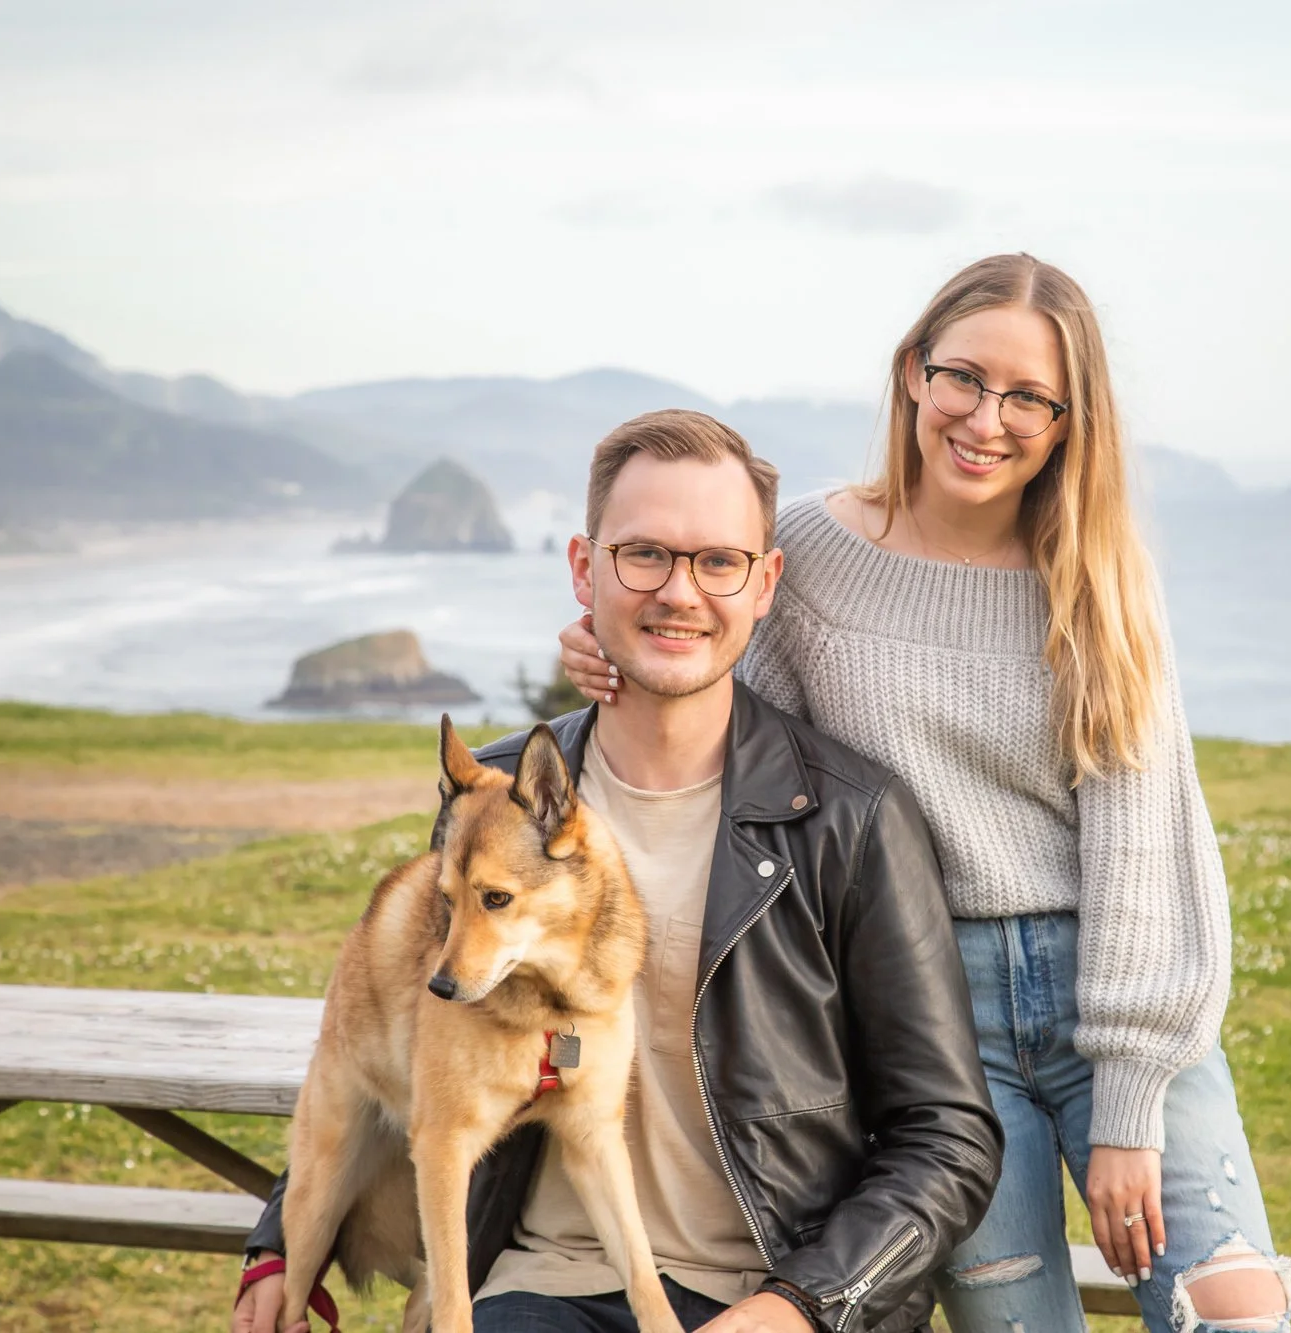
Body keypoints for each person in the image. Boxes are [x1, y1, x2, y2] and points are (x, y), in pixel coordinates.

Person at [560, 255, 1291, 1333]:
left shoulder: (1093, 579)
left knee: (1233, 1312)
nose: (986, 418)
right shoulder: (809, 554)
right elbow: (730, 714)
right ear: (914, 371)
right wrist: (606, 648)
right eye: (963, 378)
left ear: (1065, 419)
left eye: (1027, 398)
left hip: (1113, 994)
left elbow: (1142, 837)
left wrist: (1129, 1104)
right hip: (927, 1015)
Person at [235, 410, 1002, 1333]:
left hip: (770, 1295)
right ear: (582, 568)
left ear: (765, 584)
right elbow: (381, 1027)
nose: (680, 591)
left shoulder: (849, 818)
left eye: (717, 561)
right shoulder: (491, 795)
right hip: (533, 1286)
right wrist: (283, 1236)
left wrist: (802, 1305)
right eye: (643, 554)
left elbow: (946, 1137)